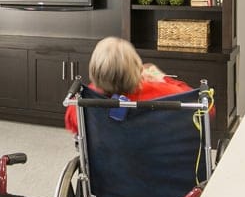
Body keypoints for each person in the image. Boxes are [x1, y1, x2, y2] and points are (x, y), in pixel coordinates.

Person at [64, 36, 207, 134]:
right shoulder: (161, 92)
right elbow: (204, 107)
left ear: (95, 69)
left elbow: (74, 127)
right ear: (137, 68)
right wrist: (161, 79)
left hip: (107, 164)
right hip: (157, 162)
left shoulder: (82, 101)